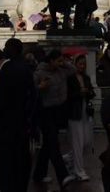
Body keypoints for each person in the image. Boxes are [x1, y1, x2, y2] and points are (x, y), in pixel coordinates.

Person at [0, 39, 36, 192]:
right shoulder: (23, 68)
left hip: (5, 131)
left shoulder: (5, 73)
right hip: (21, 127)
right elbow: (32, 96)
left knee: (6, 170)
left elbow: (0, 104)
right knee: (20, 168)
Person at [33, 50, 77, 188]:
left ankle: (38, 174)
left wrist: (65, 62)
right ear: (50, 60)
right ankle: (62, 175)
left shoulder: (62, 71)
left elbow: (73, 70)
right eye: (57, 61)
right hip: (45, 112)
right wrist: (40, 87)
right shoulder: (39, 73)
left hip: (58, 111)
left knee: (48, 143)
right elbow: (31, 90)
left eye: (61, 61)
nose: (60, 63)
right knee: (53, 143)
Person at [66, 53, 96, 181]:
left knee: (86, 141)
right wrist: (80, 93)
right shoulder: (70, 79)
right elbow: (68, 95)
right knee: (78, 142)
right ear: (75, 64)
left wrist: (87, 92)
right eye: (80, 64)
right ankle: (79, 170)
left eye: (84, 64)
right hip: (74, 112)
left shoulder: (86, 77)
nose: (82, 66)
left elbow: (92, 92)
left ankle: (68, 159)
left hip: (85, 111)